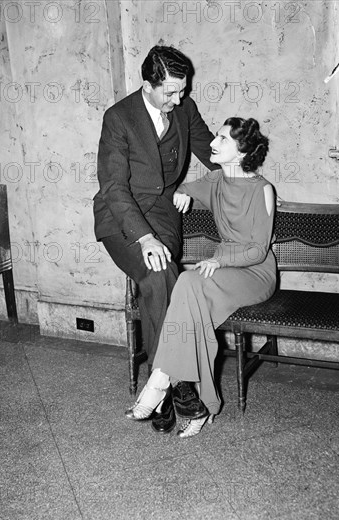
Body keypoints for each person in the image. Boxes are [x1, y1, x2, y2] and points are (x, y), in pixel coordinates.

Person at [126, 117, 277, 438]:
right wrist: (182, 190)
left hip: (253, 272)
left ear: (241, 152)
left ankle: (161, 380)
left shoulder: (263, 189)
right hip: (220, 269)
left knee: (190, 285)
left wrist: (219, 259)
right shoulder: (215, 180)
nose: (214, 142)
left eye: (223, 139)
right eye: (217, 136)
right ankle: (200, 403)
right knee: (190, 296)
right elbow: (186, 188)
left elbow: (258, 250)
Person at [93, 46, 219, 433]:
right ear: (147, 85)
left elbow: (216, 157)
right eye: (169, 92)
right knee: (156, 277)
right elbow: (114, 187)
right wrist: (144, 238)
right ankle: (178, 385)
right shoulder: (118, 118)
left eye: (182, 91)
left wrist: (243, 184)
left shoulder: (185, 109)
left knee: (162, 277)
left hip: (163, 215)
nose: (178, 99)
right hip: (122, 220)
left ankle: (158, 386)